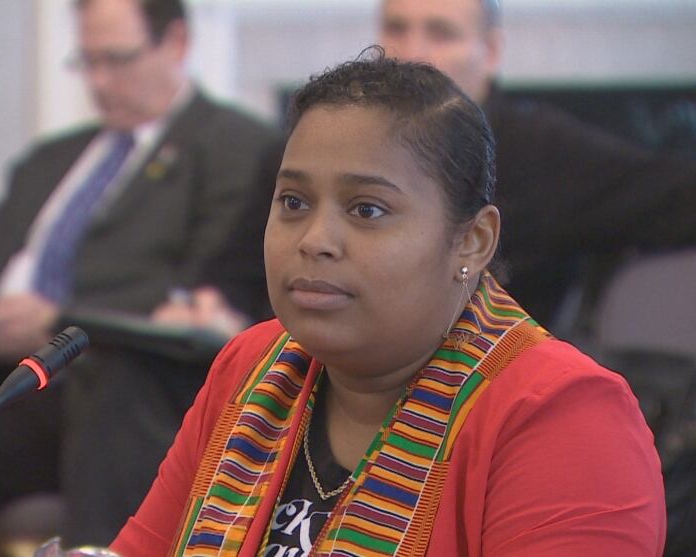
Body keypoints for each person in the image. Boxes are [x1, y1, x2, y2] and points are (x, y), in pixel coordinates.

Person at [109, 53, 665, 557]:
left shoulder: (565, 415)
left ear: (472, 240)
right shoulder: (247, 368)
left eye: (367, 210)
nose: (314, 239)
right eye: (294, 201)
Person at [0, 0, 282, 553]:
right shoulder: (51, 158)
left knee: (112, 379)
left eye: (117, 59)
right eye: (87, 62)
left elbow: (202, 292)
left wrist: (58, 320)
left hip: (95, 379)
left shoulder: (235, 148)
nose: (101, 81)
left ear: (176, 43)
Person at [378, 0, 696, 327]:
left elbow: (677, 195)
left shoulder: (537, 150)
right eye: (396, 29)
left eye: (442, 34)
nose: (411, 53)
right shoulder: (356, 144)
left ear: (490, 52)